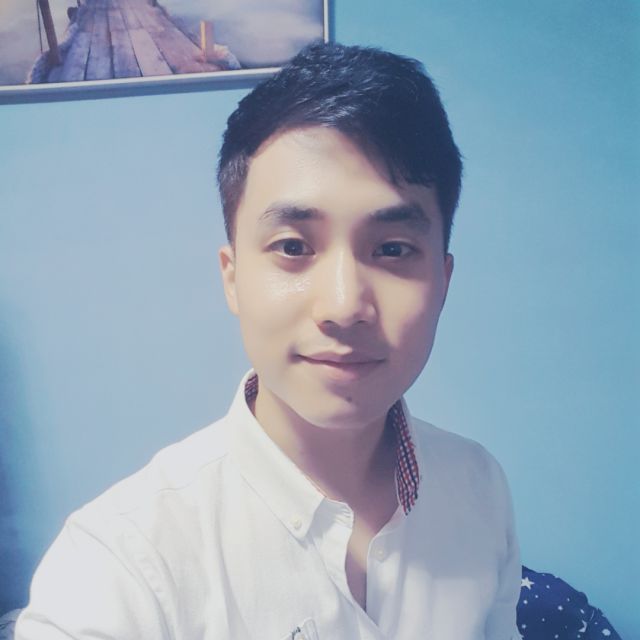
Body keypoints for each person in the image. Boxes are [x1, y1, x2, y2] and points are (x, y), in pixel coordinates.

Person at [15, 42, 521, 639]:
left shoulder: (478, 488)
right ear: (232, 278)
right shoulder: (120, 565)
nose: (343, 306)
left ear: (443, 280)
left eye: (392, 249)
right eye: (293, 247)